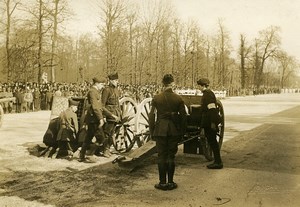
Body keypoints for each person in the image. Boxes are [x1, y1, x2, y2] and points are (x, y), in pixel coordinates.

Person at [149, 74, 187, 191]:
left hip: (160, 130)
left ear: (163, 84)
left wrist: (152, 130)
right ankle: (171, 182)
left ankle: (162, 183)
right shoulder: (178, 98)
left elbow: (151, 115)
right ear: (173, 84)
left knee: (161, 156)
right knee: (171, 156)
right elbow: (183, 117)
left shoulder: (156, 98)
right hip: (173, 131)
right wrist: (181, 132)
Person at [79, 77, 116, 162]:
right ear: (97, 83)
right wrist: (100, 119)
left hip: (93, 118)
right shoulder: (92, 92)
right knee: (101, 138)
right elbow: (95, 107)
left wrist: (107, 115)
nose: (103, 86)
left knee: (89, 137)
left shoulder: (95, 91)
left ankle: (82, 155)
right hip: (93, 119)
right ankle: (90, 154)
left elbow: (100, 107)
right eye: (102, 84)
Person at [197, 78, 223, 169]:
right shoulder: (207, 94)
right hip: (208, 121)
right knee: (212, 141)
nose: (198, 87)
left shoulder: (208, 95)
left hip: (210, 122)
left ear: (203, 86)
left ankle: (218, 162)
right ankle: (217, 161)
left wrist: (212, 123)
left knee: (213, 142)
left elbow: (212, 110)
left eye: (199, 86)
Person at [101, 73, 121, 154]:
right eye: (115, 80)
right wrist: (105, 116)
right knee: (107, 133)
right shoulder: (106, 90)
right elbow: (102, 105)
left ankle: (108, 148)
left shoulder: (116, 89)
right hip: (109, 114)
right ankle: (105, 150)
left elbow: (118, 103)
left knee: (112, 133)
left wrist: (119, 114)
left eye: (117, 80)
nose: (117, 82)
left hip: (116, 113)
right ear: (111, 81)